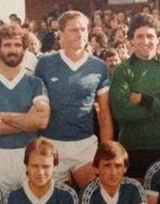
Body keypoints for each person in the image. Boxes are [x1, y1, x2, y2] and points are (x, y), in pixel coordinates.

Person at [35, 11, 113, 187]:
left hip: (85, 145)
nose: (80, 34)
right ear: (61, 35)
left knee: (95, 199)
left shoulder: (99, 66)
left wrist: (106, 151)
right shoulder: (45, 64)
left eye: (84, 29)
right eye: (74, 30)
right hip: (51, 144)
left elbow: (105, 114)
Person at [0, 25, 50, 193]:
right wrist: (27, 120)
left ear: (24, 48)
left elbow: (41, 121)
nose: (13, 49)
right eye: (7, 45)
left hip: (28, 156)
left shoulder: (35, 83)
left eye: (17, 45)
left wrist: (4, 116)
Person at [110, 13, 160, 179]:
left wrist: (144, 100)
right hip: (132, 147)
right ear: (131, 39)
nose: (145, 41)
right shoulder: (122, 70)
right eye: (140, 36)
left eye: (150, 36)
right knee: (136, 200)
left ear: (158, 38)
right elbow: (121, 112)